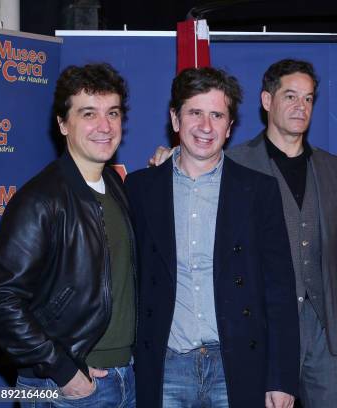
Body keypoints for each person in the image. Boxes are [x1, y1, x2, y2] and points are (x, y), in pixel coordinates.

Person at [150, 59, 337, 408]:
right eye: (291, 96)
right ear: (266, 101)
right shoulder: (235, 161)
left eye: (308, 99)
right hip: (258, 328)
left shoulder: (334, 167)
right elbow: (194, 162)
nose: (301, 106)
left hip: (326, 327)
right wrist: (169, 157)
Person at [126, 67, 299, 408]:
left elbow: (279, 289)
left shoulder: (258, 191)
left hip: (236, 366)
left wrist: (281, 378)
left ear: (230, 127)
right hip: (165, 366)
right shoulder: (139, 189)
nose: (206, 127)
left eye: (217, 115)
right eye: (195, 113)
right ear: (175, 119)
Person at [0, 63, 136, 407]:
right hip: (65, 389)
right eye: (89, 113)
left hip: (125, 378)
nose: (104, 126)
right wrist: (61, 370)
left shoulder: (115, 185)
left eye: (112, 113)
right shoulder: (40, 199)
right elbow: (0, 300)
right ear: (63, 123)